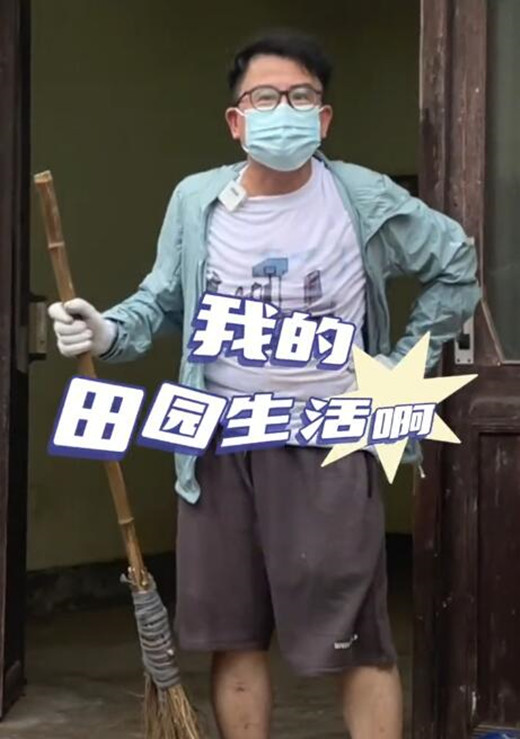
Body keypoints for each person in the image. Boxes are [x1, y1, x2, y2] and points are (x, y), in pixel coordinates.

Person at [48, 30, 480, 739]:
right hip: (218, 444)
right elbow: (162, 301)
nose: (284, 110)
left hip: (331, 439)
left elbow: (456, 266)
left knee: (358, 641)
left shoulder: (361, 197)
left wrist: (401, 370)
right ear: (236, 119)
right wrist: (107, 331)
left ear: (324, 117)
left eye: (301, 96)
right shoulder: (197, 201)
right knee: (235, 635)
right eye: (264, 97)